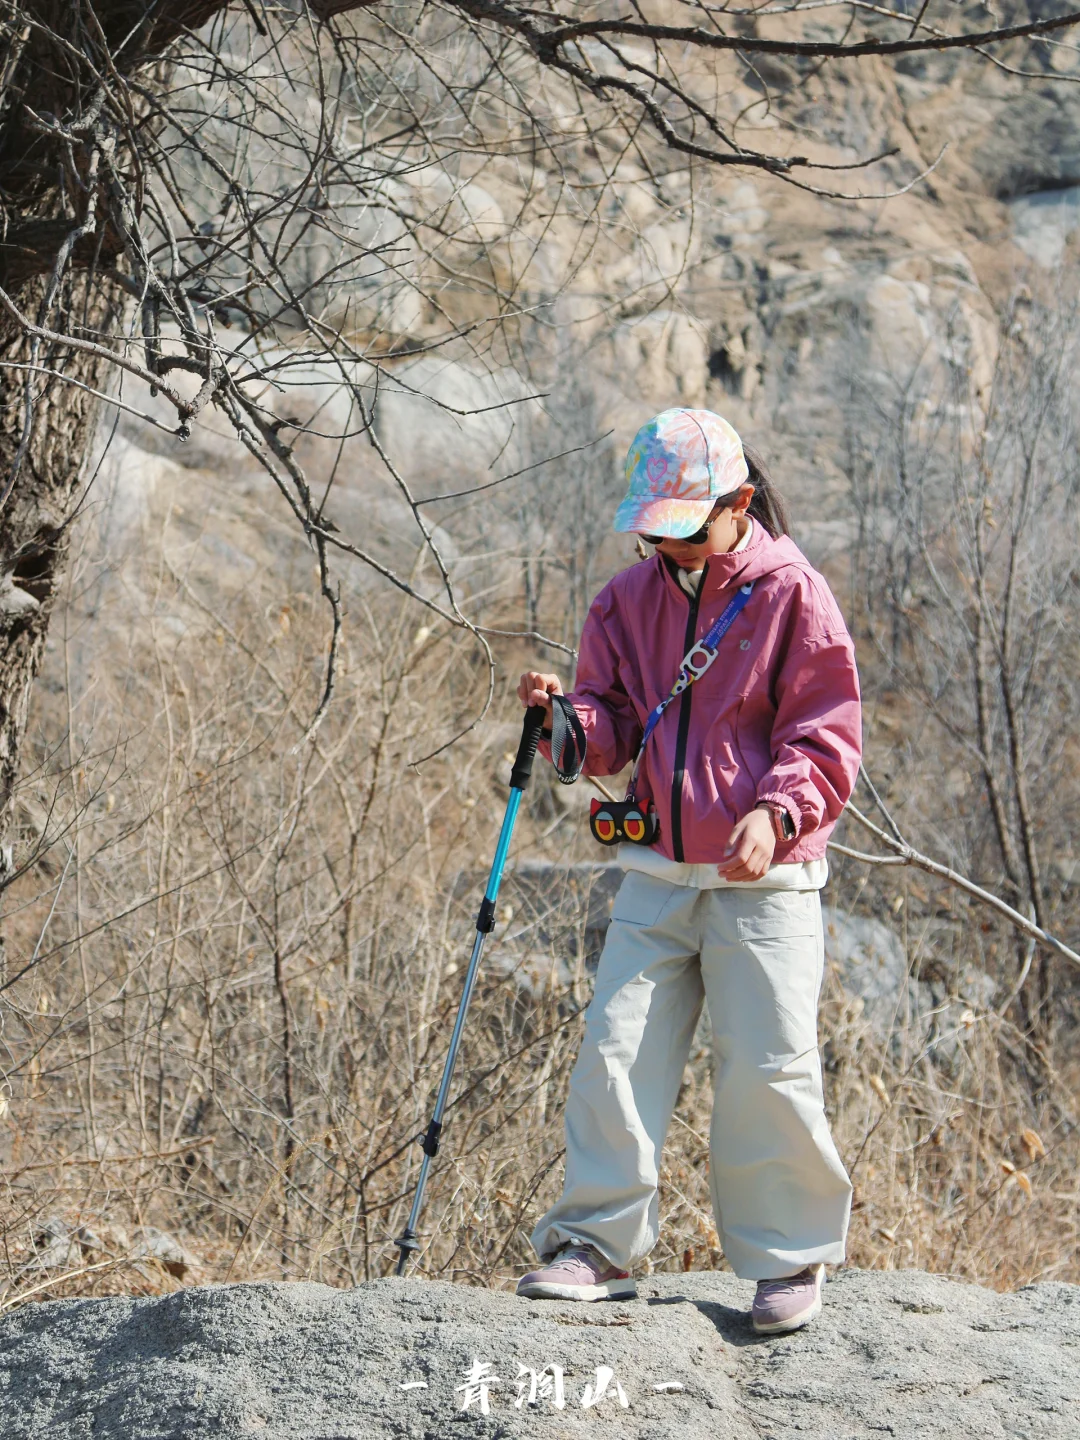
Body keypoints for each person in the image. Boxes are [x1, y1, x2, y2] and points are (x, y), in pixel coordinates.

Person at [514, 407, 862, 1335]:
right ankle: (594, 1244)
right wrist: (568, 726)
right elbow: (614, 719)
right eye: (653, 525)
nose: (665, 541)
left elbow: (825, 735)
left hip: (766, 882)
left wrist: (777, 810)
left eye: (684, 523)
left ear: (738, 503)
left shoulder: (794, 594)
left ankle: (789, 1258)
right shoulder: (625, 602)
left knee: (768, 1067)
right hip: (658, 872)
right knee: (614, 1053)